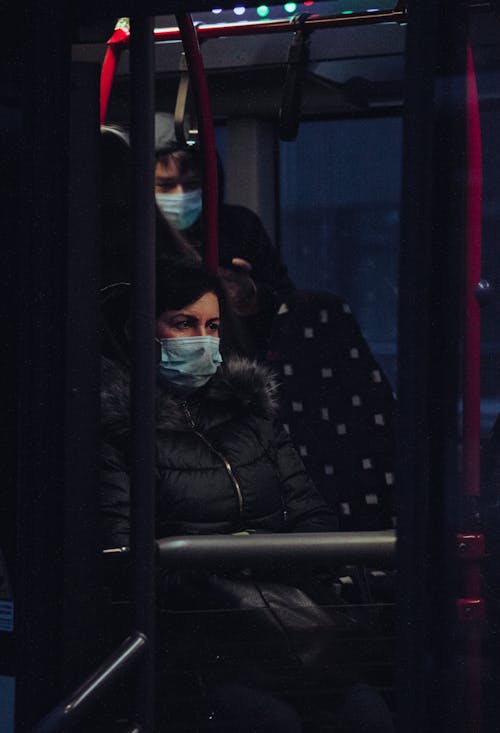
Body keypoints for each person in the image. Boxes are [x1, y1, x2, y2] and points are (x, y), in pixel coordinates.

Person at [100, 261, 395, 732]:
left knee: (367, 712)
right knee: (269, 723)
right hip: (193, 637)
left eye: (212, 326)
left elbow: (312, 516)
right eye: (183, 323)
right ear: (142, 330)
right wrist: (223, 578)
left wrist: (265, 568)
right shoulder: (119, 428)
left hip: (281, 624)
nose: (202, 339)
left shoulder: (251, 414)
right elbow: (122, 548)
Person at [153, 130, 296, 358]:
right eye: (166, 185)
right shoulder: (133, 237)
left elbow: (287, 304)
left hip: (230, 362)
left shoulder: (238, 227)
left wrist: (250, 296)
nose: (180, 195)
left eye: (191, 185)